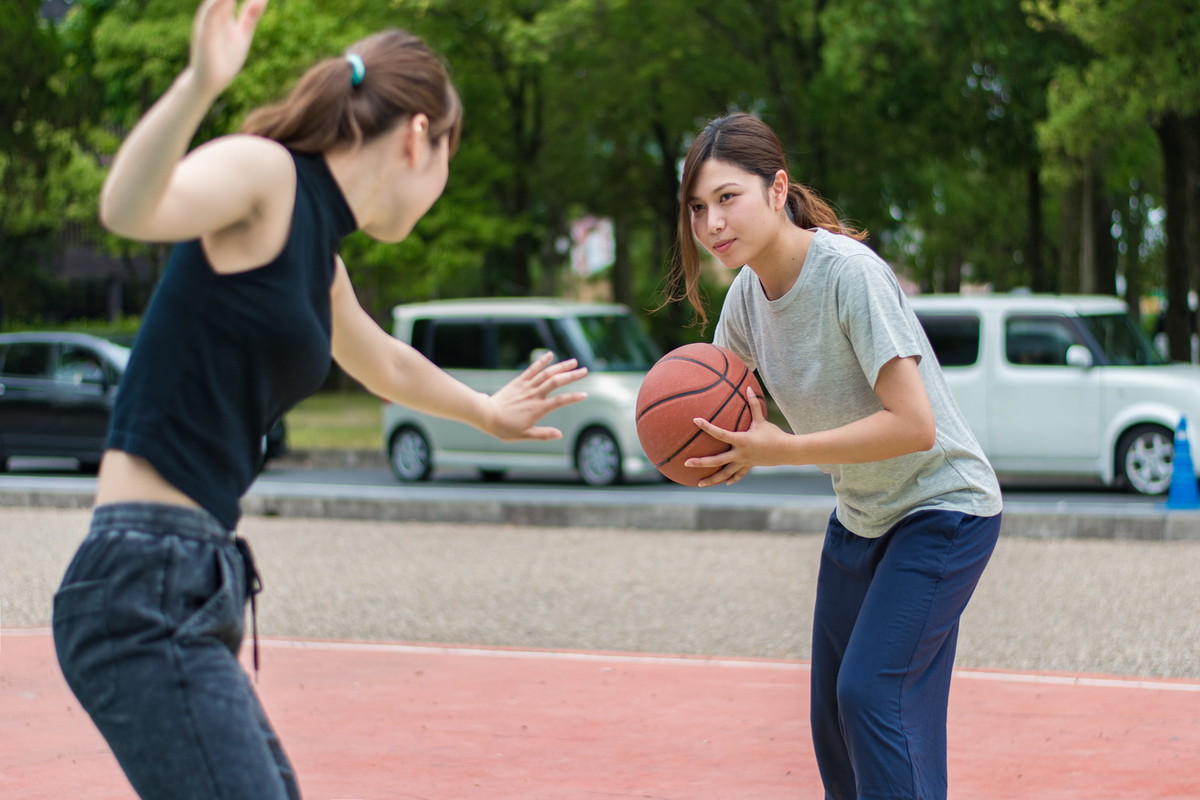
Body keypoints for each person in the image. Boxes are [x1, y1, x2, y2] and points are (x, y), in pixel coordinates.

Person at [51, 2, 588, 799]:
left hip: (191, 580)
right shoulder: (268, 178)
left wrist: (487, 411)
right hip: (143, 578)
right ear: (417, 136)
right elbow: (127, 209)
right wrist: (201, 83)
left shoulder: (319, 258)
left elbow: (388, 366)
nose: (444, 182)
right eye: (450, 156)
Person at [667, 112, 1003, 800]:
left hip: (944, 508)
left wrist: (781, 450)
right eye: (698, 208)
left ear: (776, 188)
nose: (712, 223)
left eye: (727, 198)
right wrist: (706, 449)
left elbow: (915, 425)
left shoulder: (849, 275)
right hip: (863, 514)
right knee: (833, 716)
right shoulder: (745, 303)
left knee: (870, 695)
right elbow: (713, 409)